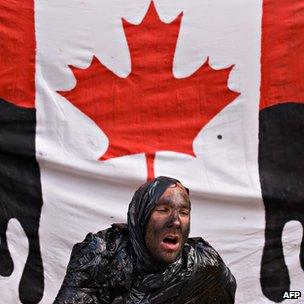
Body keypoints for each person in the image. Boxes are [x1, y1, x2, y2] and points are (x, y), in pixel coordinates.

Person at [54, 176, 236, 303]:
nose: (175, 222)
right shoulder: (102, 255)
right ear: (141, 218)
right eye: (163, 210)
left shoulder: (204, 266)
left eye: (184, 212)